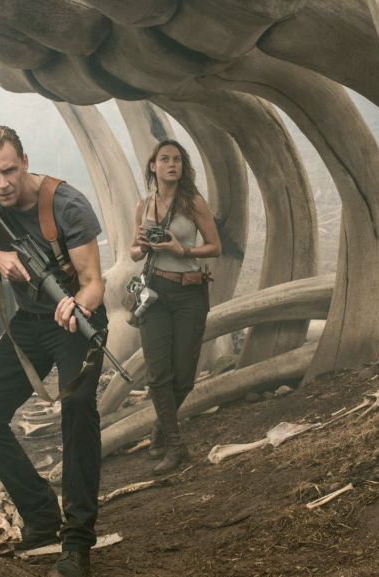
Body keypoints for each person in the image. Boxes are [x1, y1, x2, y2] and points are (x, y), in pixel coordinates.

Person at [0, 125, 106, 577]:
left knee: (77, 407)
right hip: (28, 324)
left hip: (75, 322)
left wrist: (77, 305)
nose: (2, 183)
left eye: (9, 170)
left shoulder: (66, 204)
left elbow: (94, 282)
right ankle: (42, 515)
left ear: (25, 162)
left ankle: (77, 542)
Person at [129, 139, 221, 475]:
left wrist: (182, 250)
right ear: (153, 167)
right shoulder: (143, 205)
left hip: (189, 293)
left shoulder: (193, 202)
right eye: (165, 159)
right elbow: (133, 253)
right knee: (157, 374)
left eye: (177, 159)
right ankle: (174, 444)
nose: (172, 164)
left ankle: (159, 429)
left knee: (184, 376)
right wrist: (142, 246)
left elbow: (215, 247)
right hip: (155, 293)